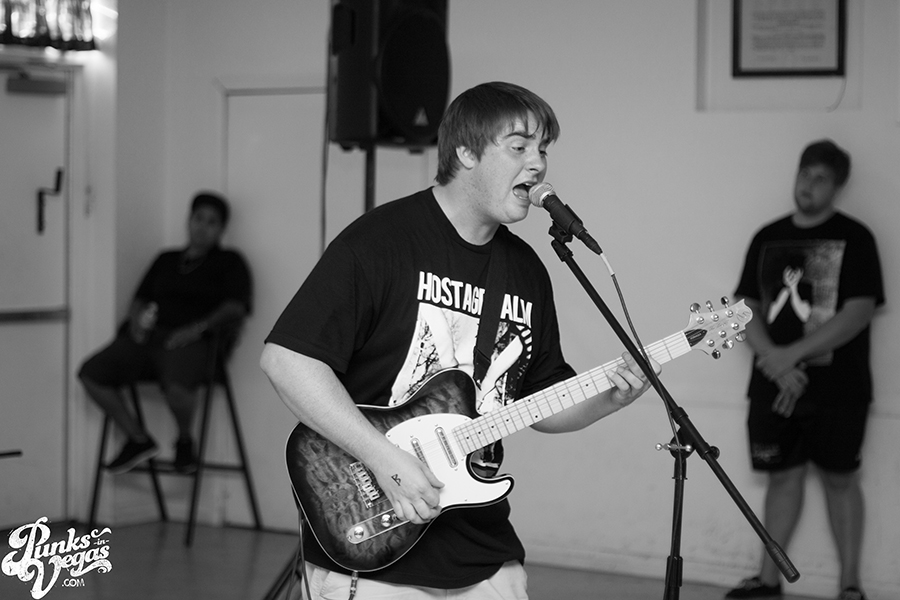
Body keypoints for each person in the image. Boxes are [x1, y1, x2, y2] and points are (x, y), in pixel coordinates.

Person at [260, 81, 659, 599]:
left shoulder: (526, 270)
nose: (537, 164)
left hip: (484, 551)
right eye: (519, 147)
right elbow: (287, 361)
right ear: (466, 152)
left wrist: (611, 397)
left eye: (543, 150)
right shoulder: (382, 240)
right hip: (375, 548)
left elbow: (540, 400)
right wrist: (385, 461)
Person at [727, 140, 884, 600]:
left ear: (838, 186)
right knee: (781, 478)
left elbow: (858, 311)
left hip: (839, 389)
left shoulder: (856, 237)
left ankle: (851, 586)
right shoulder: (767, 235)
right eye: (804, 173)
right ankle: (768, 580)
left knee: (840, 480)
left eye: (820, 178)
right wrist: (774, 362)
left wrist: (789, 355)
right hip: (773, 387)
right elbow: (744, 307)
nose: (808, 185)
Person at [79, 192, 252, 475]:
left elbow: (236, 307)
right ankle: (137, 439)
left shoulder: (229, 262)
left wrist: (194, 330)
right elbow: (140, 297)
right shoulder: (166, 259)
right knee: (92, 372)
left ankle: (184, 441)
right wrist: (137, 321)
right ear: (189, 220)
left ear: (221, 229)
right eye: (198, 219)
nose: (202, 227)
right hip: (151, 338)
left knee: (177, 386)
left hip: (195, 343)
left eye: (211, 222)